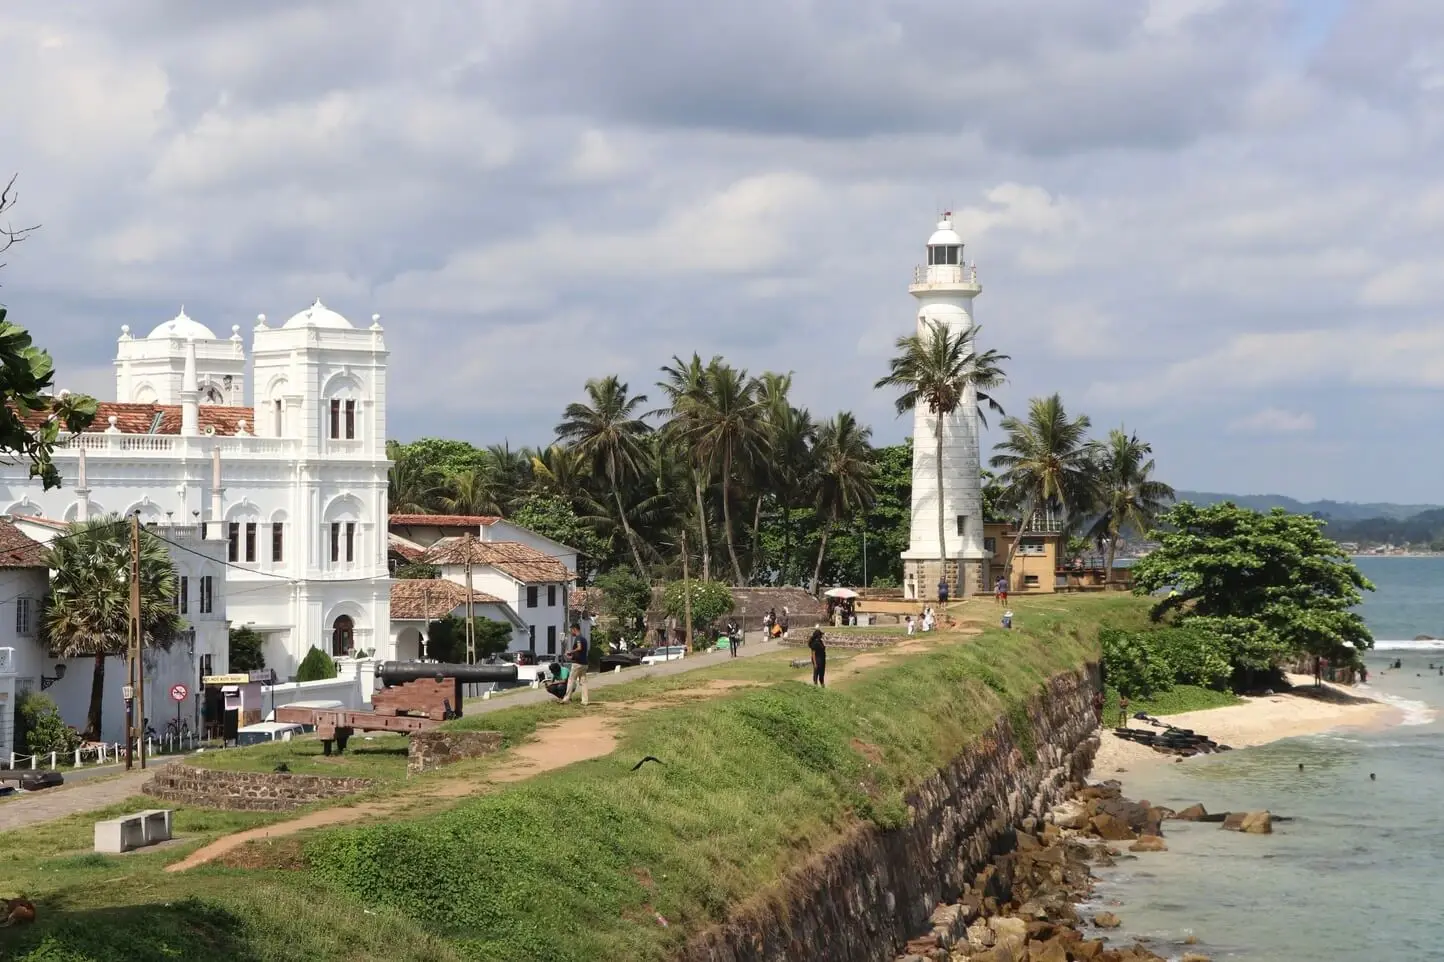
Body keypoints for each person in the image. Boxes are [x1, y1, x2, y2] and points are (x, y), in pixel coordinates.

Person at [563, 624, 589, 705]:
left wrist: (570, 651)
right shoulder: (584, 639)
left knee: (571, 680)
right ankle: (585, 701)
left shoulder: (578, 638)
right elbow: (580, 653)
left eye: (571, 630)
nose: (571, 633)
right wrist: (571, 657)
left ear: (574, 629)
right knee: (583, 682)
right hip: (584, 663)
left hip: (577, 664)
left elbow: (579, 647)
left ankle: (566, 699)